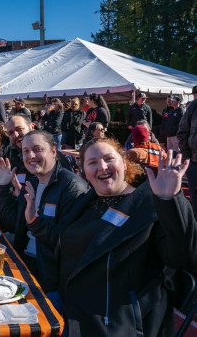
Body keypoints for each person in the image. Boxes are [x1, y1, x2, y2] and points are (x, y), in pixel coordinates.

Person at [27, 137, 197, 336]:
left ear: (124, 163)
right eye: (92, 162)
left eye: (109, 159)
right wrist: (34, 221)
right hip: (66, 301)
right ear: (84, 172)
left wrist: (170, 200)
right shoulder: (86, 203)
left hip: (108, 321)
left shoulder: (149, 206)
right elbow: (64, 240)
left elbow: (185, 257)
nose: (102, 166)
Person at [0, 130, 88, 293]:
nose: (30, 156)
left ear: (53, 152)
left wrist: (34, 221)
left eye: (37, 149)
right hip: (23, 260)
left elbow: (67, 244)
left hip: (47, 275)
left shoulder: (72, 187)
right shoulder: (33, 182)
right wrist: (2, 188)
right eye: (26, 151)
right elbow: (12, 223)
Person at [177, 84, 197, 215]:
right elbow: (182, 132)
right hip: (195, 162)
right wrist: (187, 156)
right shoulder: (194, 106)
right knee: (195, 198)